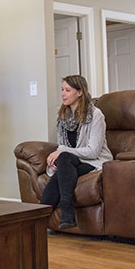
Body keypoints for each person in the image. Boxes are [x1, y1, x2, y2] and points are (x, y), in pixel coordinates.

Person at [41, 74, 112, 230]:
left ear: (80, 92)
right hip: (72, 162)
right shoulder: (62, 117)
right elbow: (63, 147)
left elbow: (93, 152)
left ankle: (54, 211)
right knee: (64, 161)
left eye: (67, 90)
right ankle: (59, 214)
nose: (63, 94)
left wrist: (61, 152)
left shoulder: (95, 115)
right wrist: (56, 161)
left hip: (95, 161)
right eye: (62, 90)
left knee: (64, 158)